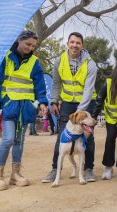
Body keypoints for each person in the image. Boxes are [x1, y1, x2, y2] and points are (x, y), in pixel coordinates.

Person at [0, 30, 48, 191]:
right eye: (28, 44)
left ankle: (15, 174)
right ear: (19, 40)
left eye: (33, 46)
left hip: (25, 108)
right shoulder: (5, 57)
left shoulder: (35, 62)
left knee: (19, 141)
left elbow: (39, 84)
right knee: (8, 139)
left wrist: (42, 102)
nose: (30, 48)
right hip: (8, 106)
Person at [41, 32, 97, 183]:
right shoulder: (60, 60)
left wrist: (81, 111)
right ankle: (55, 169)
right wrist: (53, 101)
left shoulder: (90, 64)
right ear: (67, 44)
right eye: (72, 42)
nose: (75, 45)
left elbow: (89, 89)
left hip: (86, 102)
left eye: (78, 43)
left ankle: (88, 169)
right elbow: (56, 83)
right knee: (62, 136)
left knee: (88, 136)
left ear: (82, 46)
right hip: (66, 103)